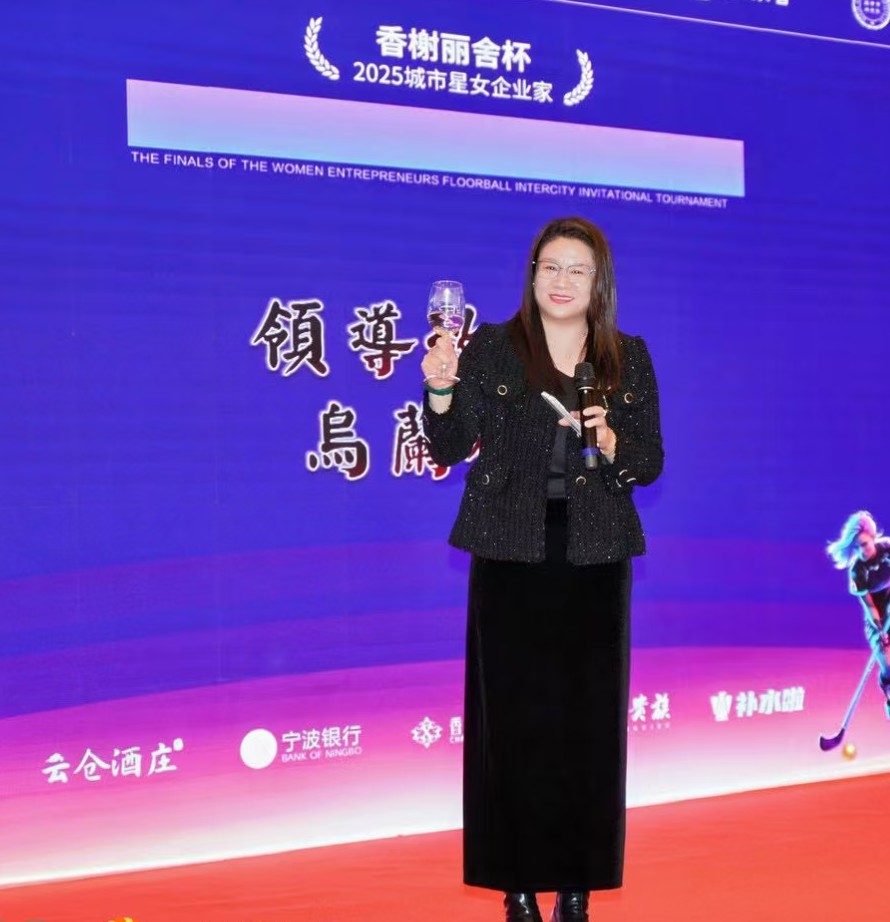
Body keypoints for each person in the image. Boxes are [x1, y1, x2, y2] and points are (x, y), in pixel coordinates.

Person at [421, 217, 664, 922]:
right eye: (550, 267)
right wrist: (441, 390)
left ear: (598, 282)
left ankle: (577, 886)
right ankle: (518, 885)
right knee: (513, 725)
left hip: (596, 556)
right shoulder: (495, 348)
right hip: (510, 552)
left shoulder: (626, 356)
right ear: (532, 274)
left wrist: (611, 439)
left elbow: (649, 461)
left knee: (589, 725)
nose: (561, 281)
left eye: (576, 270)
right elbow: (449, 442)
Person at [827, 511, 890, 717]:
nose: (861, 550)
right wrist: (880, 629)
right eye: (856, 547)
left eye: (864, 544)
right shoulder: (857, 570)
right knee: (888, 663)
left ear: (873, 537)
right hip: (877, 618)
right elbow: (870, 607)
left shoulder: (887, 548)